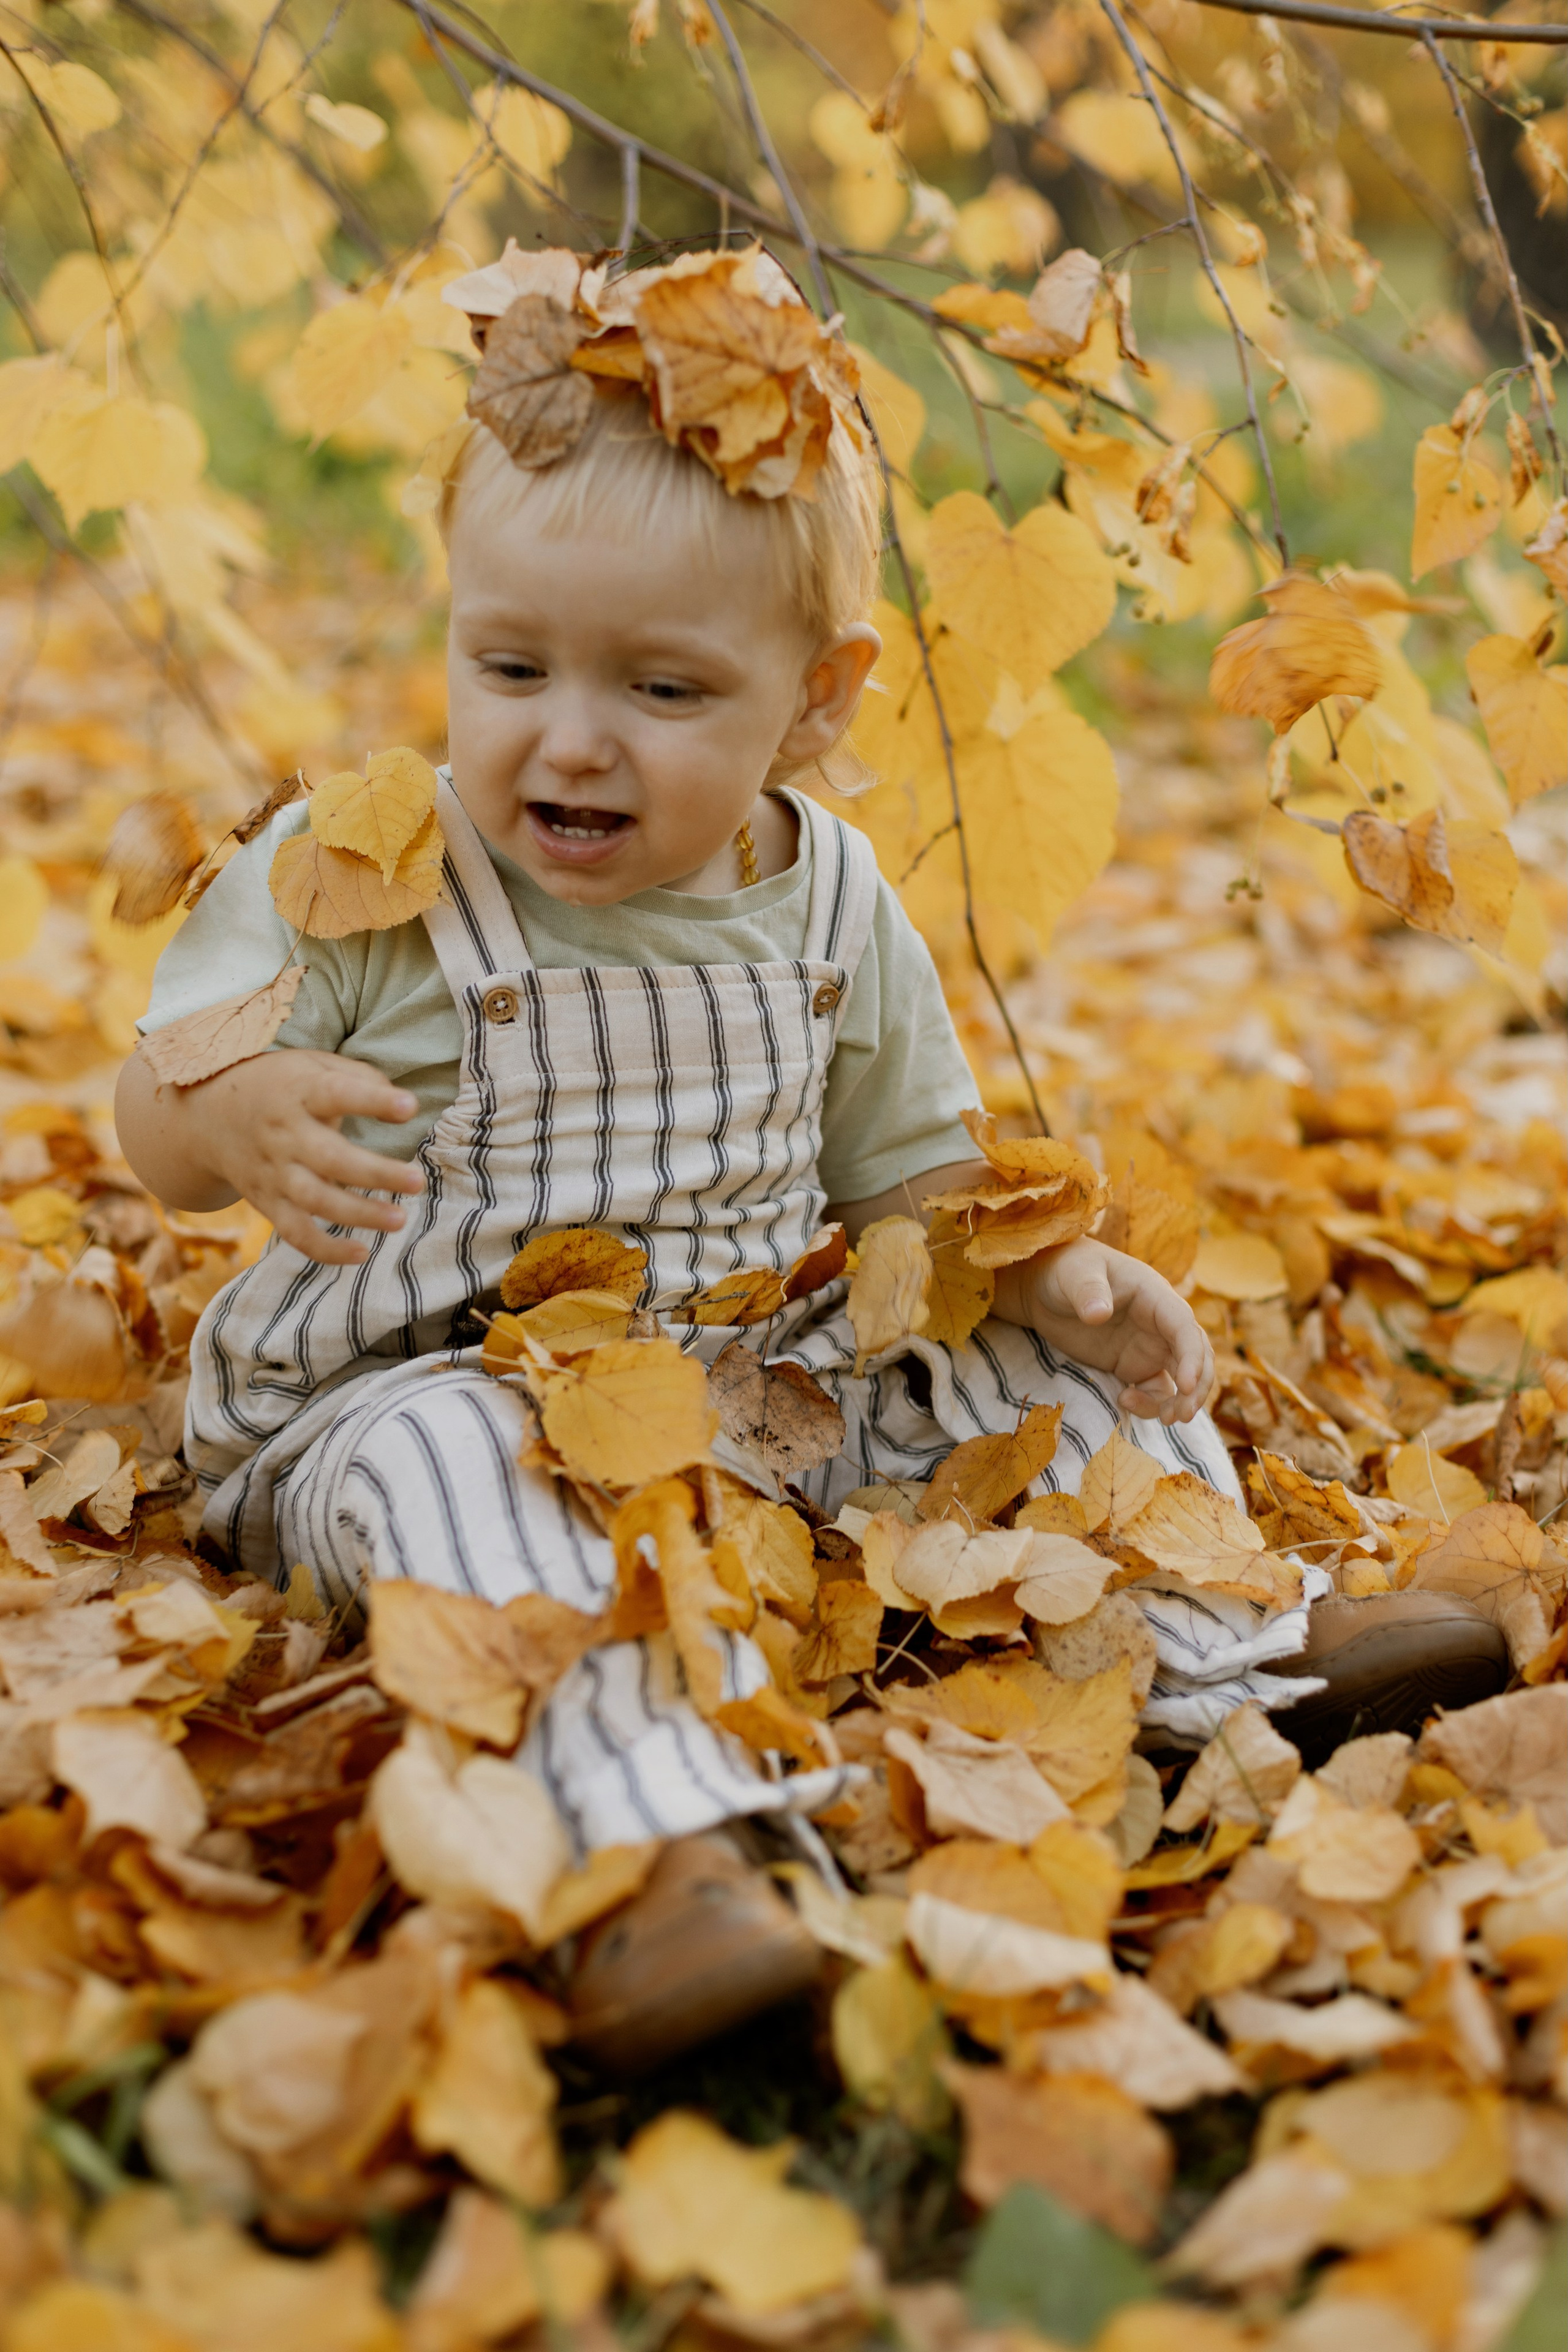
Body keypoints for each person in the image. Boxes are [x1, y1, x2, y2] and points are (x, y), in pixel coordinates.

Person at [115, 245, 1505, 2072]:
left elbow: (913, 1188)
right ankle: (661, 1848)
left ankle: (1223, 1649)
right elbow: (146, 1117)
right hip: (397, 1403)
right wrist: (228, 1117)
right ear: (455, 619)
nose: (570, 736)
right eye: (510, 661)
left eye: (665, 690)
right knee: (464, 1456)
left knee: (1018, 1348)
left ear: (819, 695)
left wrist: (1052, 1275)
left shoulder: (831, 899)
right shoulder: (365, 866)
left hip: (746, 1400)